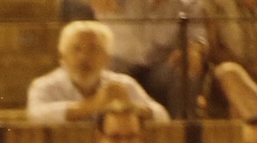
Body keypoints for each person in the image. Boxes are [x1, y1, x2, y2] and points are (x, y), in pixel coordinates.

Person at [75, 0, 207, 119]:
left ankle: (181, 133)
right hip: (116, 65)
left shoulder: (188, 2)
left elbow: (198, 38)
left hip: (158, 71)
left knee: (186, 67)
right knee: (107, 69)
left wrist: (194, 51)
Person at [27, 20, 169, 123]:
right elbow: (36, 115)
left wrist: (131, 107)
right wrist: (94, 105)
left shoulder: (122, 84)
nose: (84, 57)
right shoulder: (44, 85)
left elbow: (162, 116)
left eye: (93, 49)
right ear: (62, 57)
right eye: (76, 49)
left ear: (107, 58)